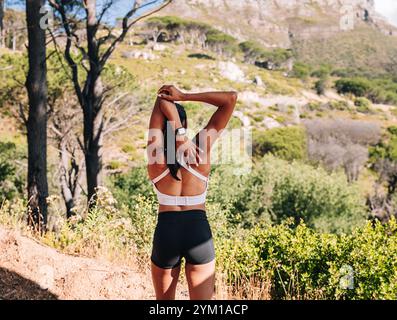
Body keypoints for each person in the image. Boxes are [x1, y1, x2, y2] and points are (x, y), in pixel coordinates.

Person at [147, 85, 238, 300]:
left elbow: (161, 101)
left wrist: (175, 130)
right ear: (185, 125)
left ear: (159, 128)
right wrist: (184, 97)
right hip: (198, 231)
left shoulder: (155, 157)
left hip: (166, 233)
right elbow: (230, 99)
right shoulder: (200, 150)